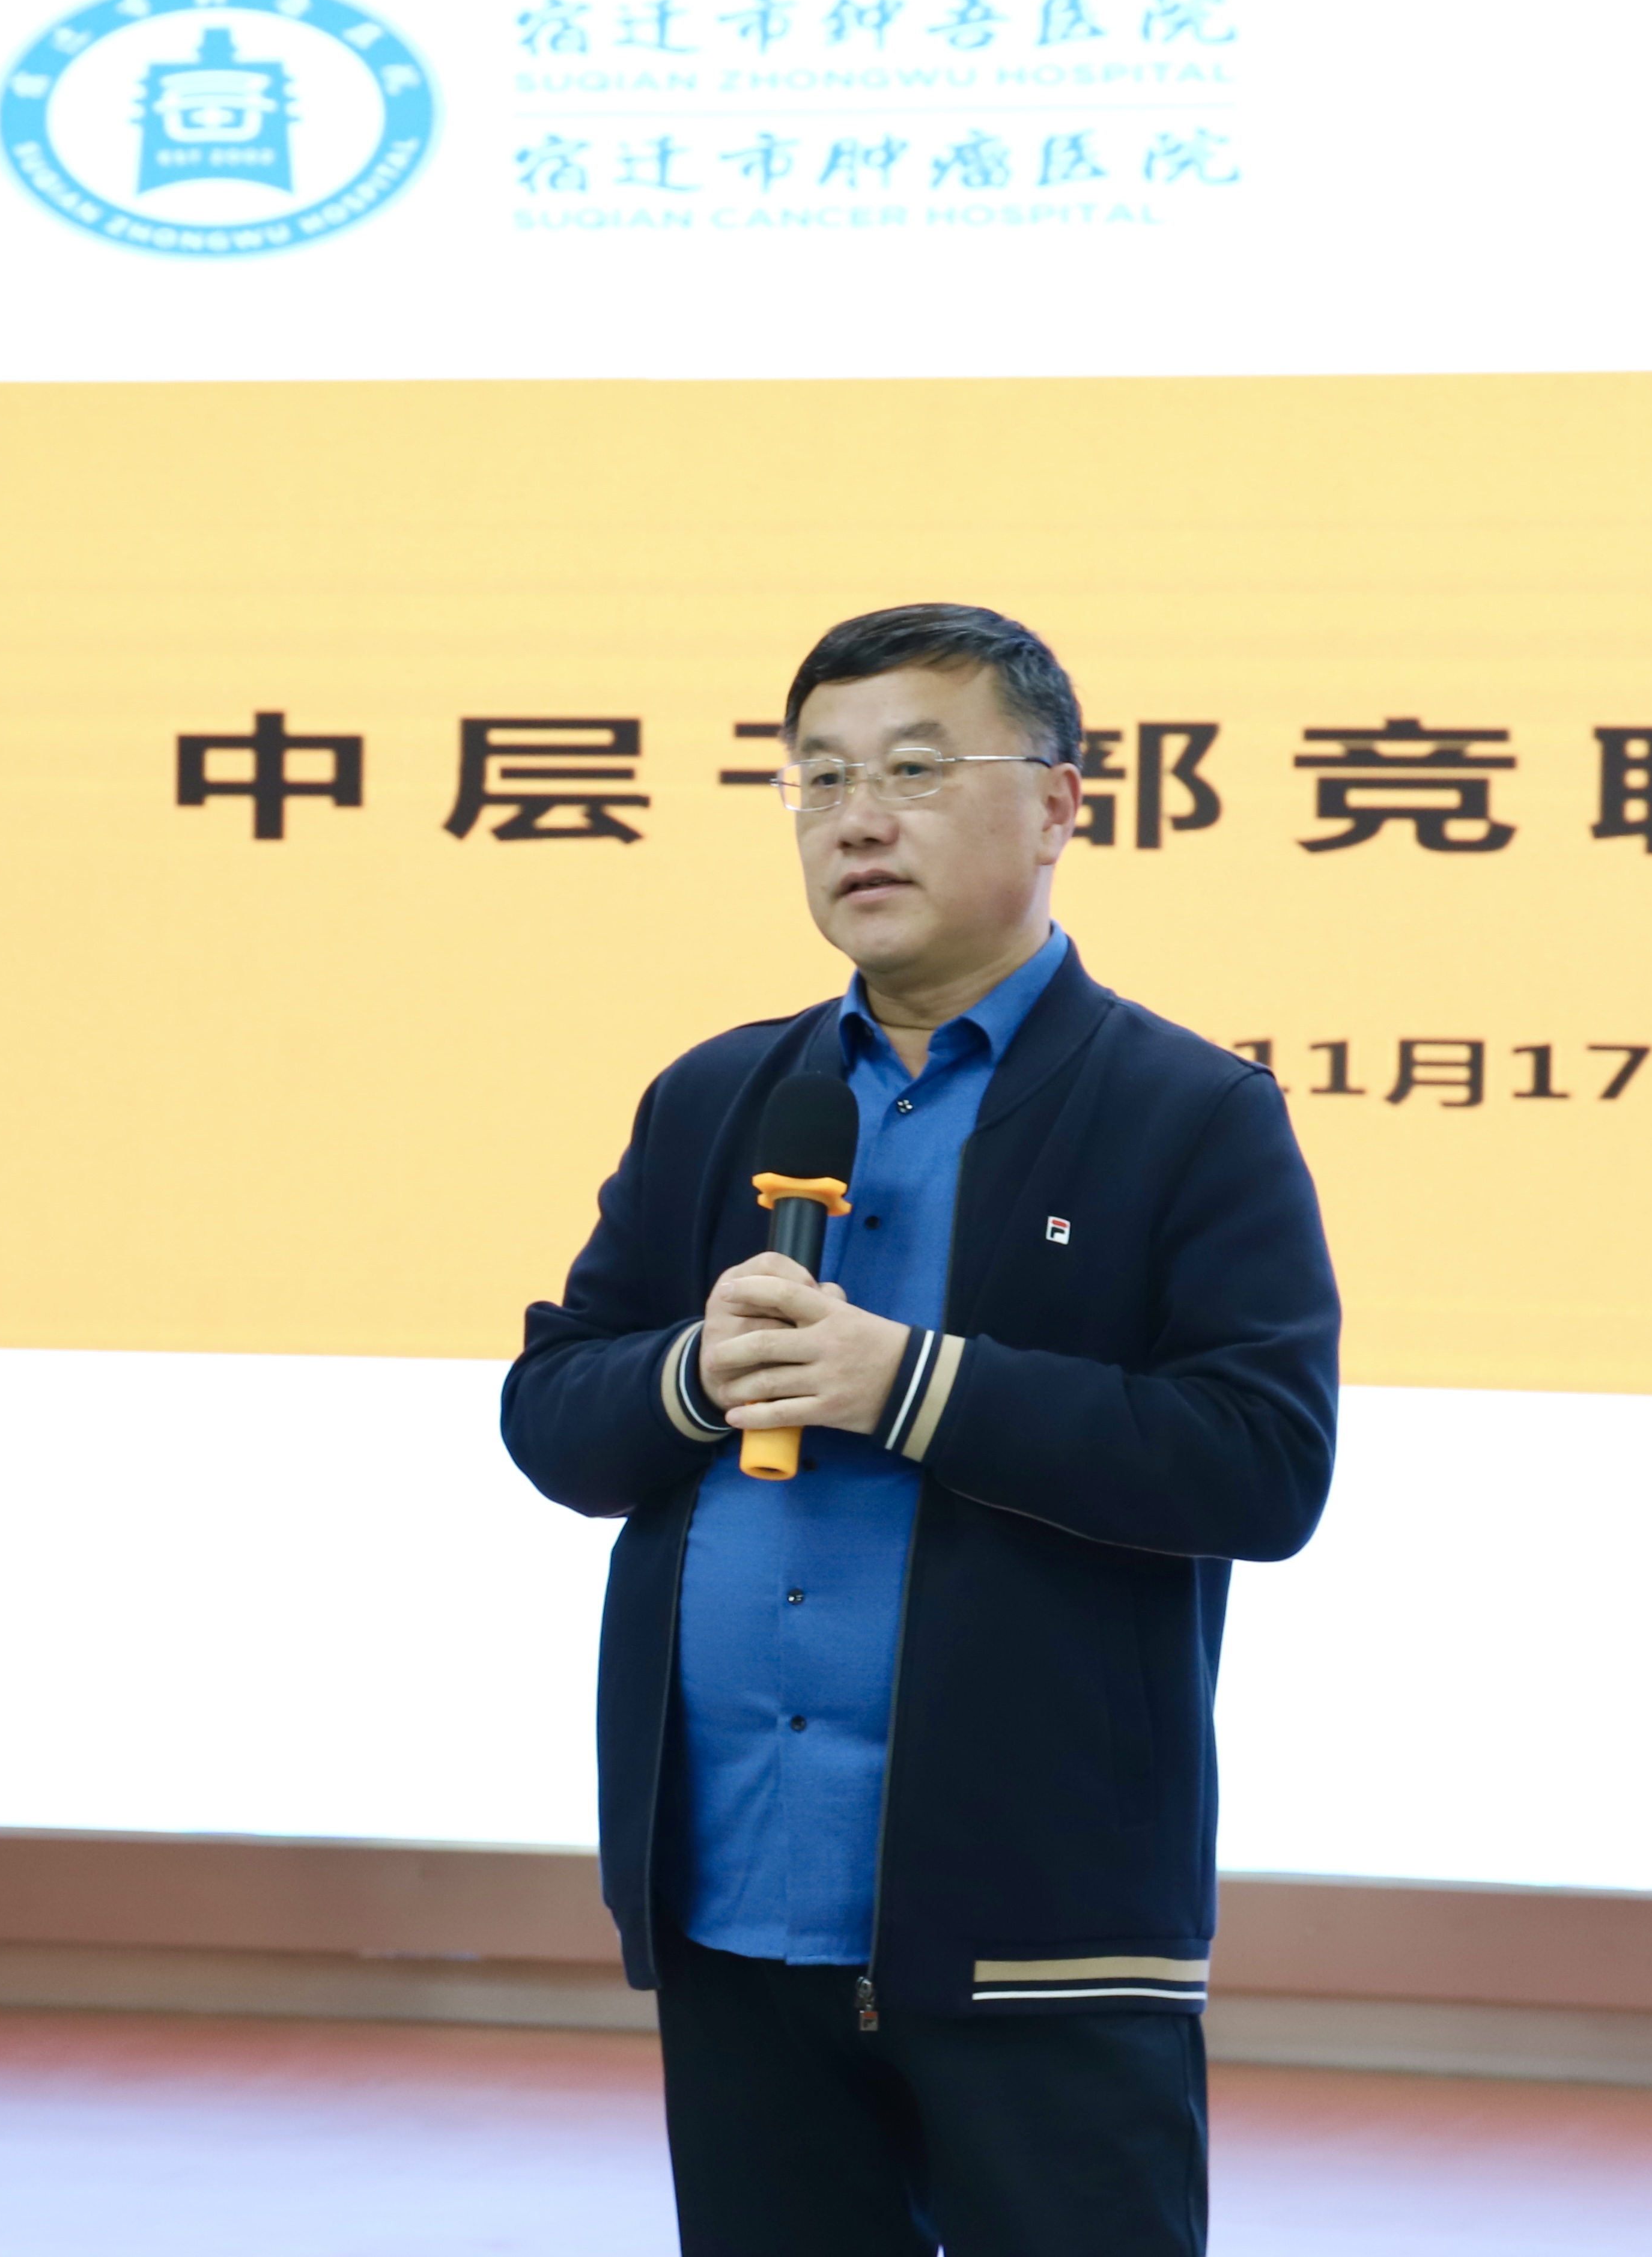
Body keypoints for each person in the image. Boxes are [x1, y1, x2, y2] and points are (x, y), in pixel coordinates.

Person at [502, 603, 1343, 2255]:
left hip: (1039, 1922)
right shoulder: (721, 1097)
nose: (856, 819)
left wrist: (905, 1384)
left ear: (1058, 805)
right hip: (734, 1901)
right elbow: (554, 1413)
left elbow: (1261, 1462)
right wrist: (695, 1376)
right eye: (817, 780)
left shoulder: (1187, 1113)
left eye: (912, 769)